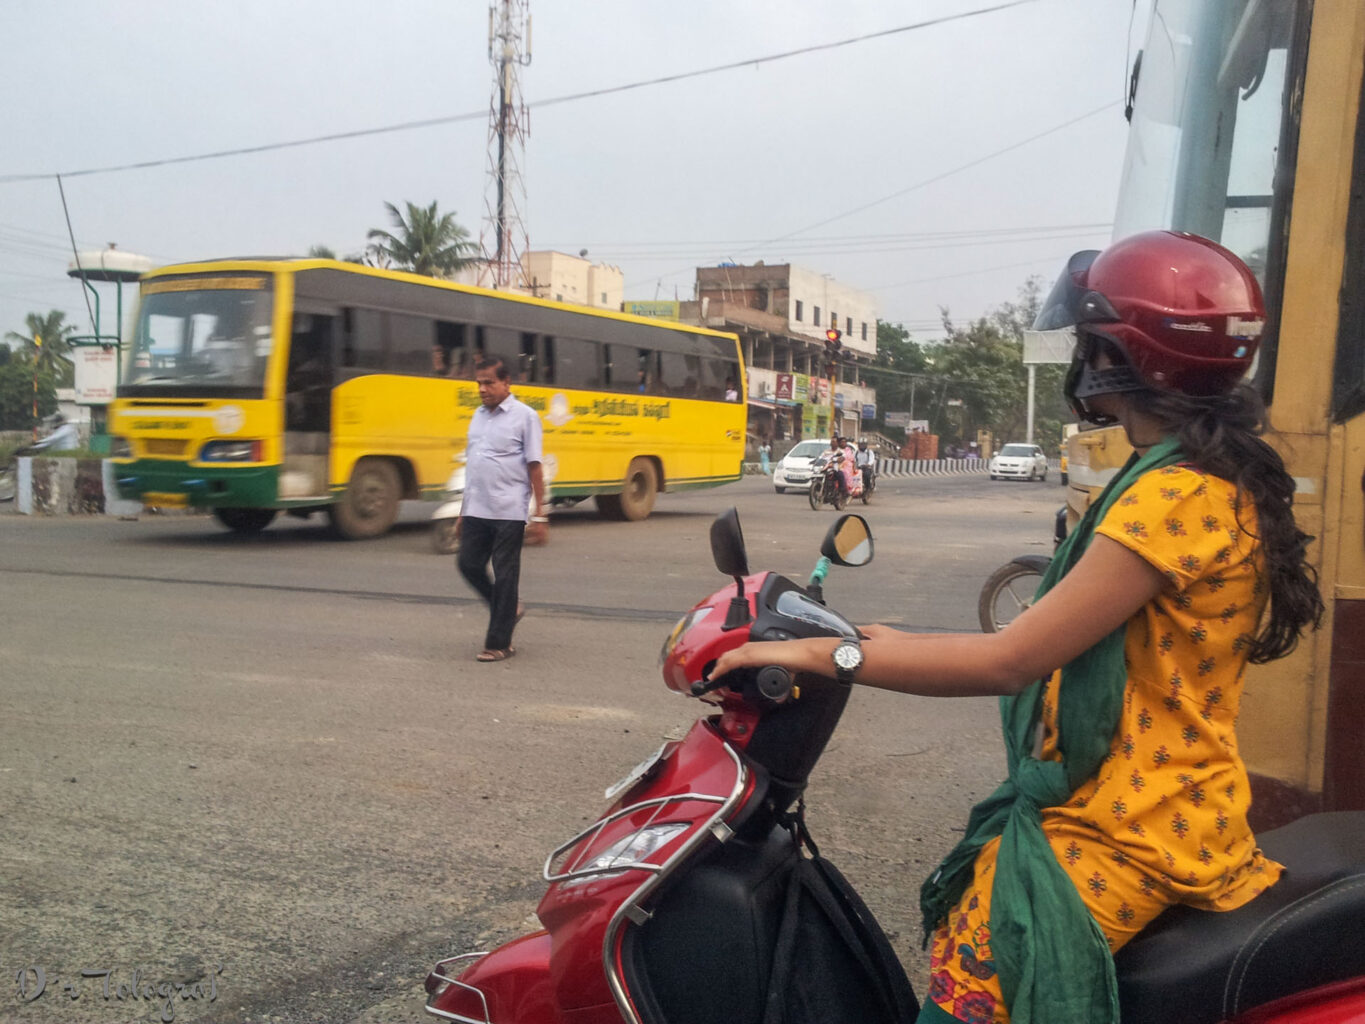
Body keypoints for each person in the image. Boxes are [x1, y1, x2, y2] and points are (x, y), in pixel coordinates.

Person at [713, 231, 1323, 1024]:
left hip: (1135, 828)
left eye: (1089, 338)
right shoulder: (1192, 475)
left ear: (1117, 355)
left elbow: (1009, 661)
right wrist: (879, 637)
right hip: (1152, 801)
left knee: (987, 954)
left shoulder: (1170, 496)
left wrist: (817, 652)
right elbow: (1053, 642)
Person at [456, 356, 549, 663]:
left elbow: (535, 466)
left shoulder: (525, 416)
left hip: (509, 508)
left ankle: (500, 643)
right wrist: (462, 510)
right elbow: (474, 466)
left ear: (507, 383)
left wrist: (539, 514)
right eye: (479, 383)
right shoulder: (477, 416)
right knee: (468, 564)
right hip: (477, 507)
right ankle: (510, 609)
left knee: (505, 574)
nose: (483, 389)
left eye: (489, 383)